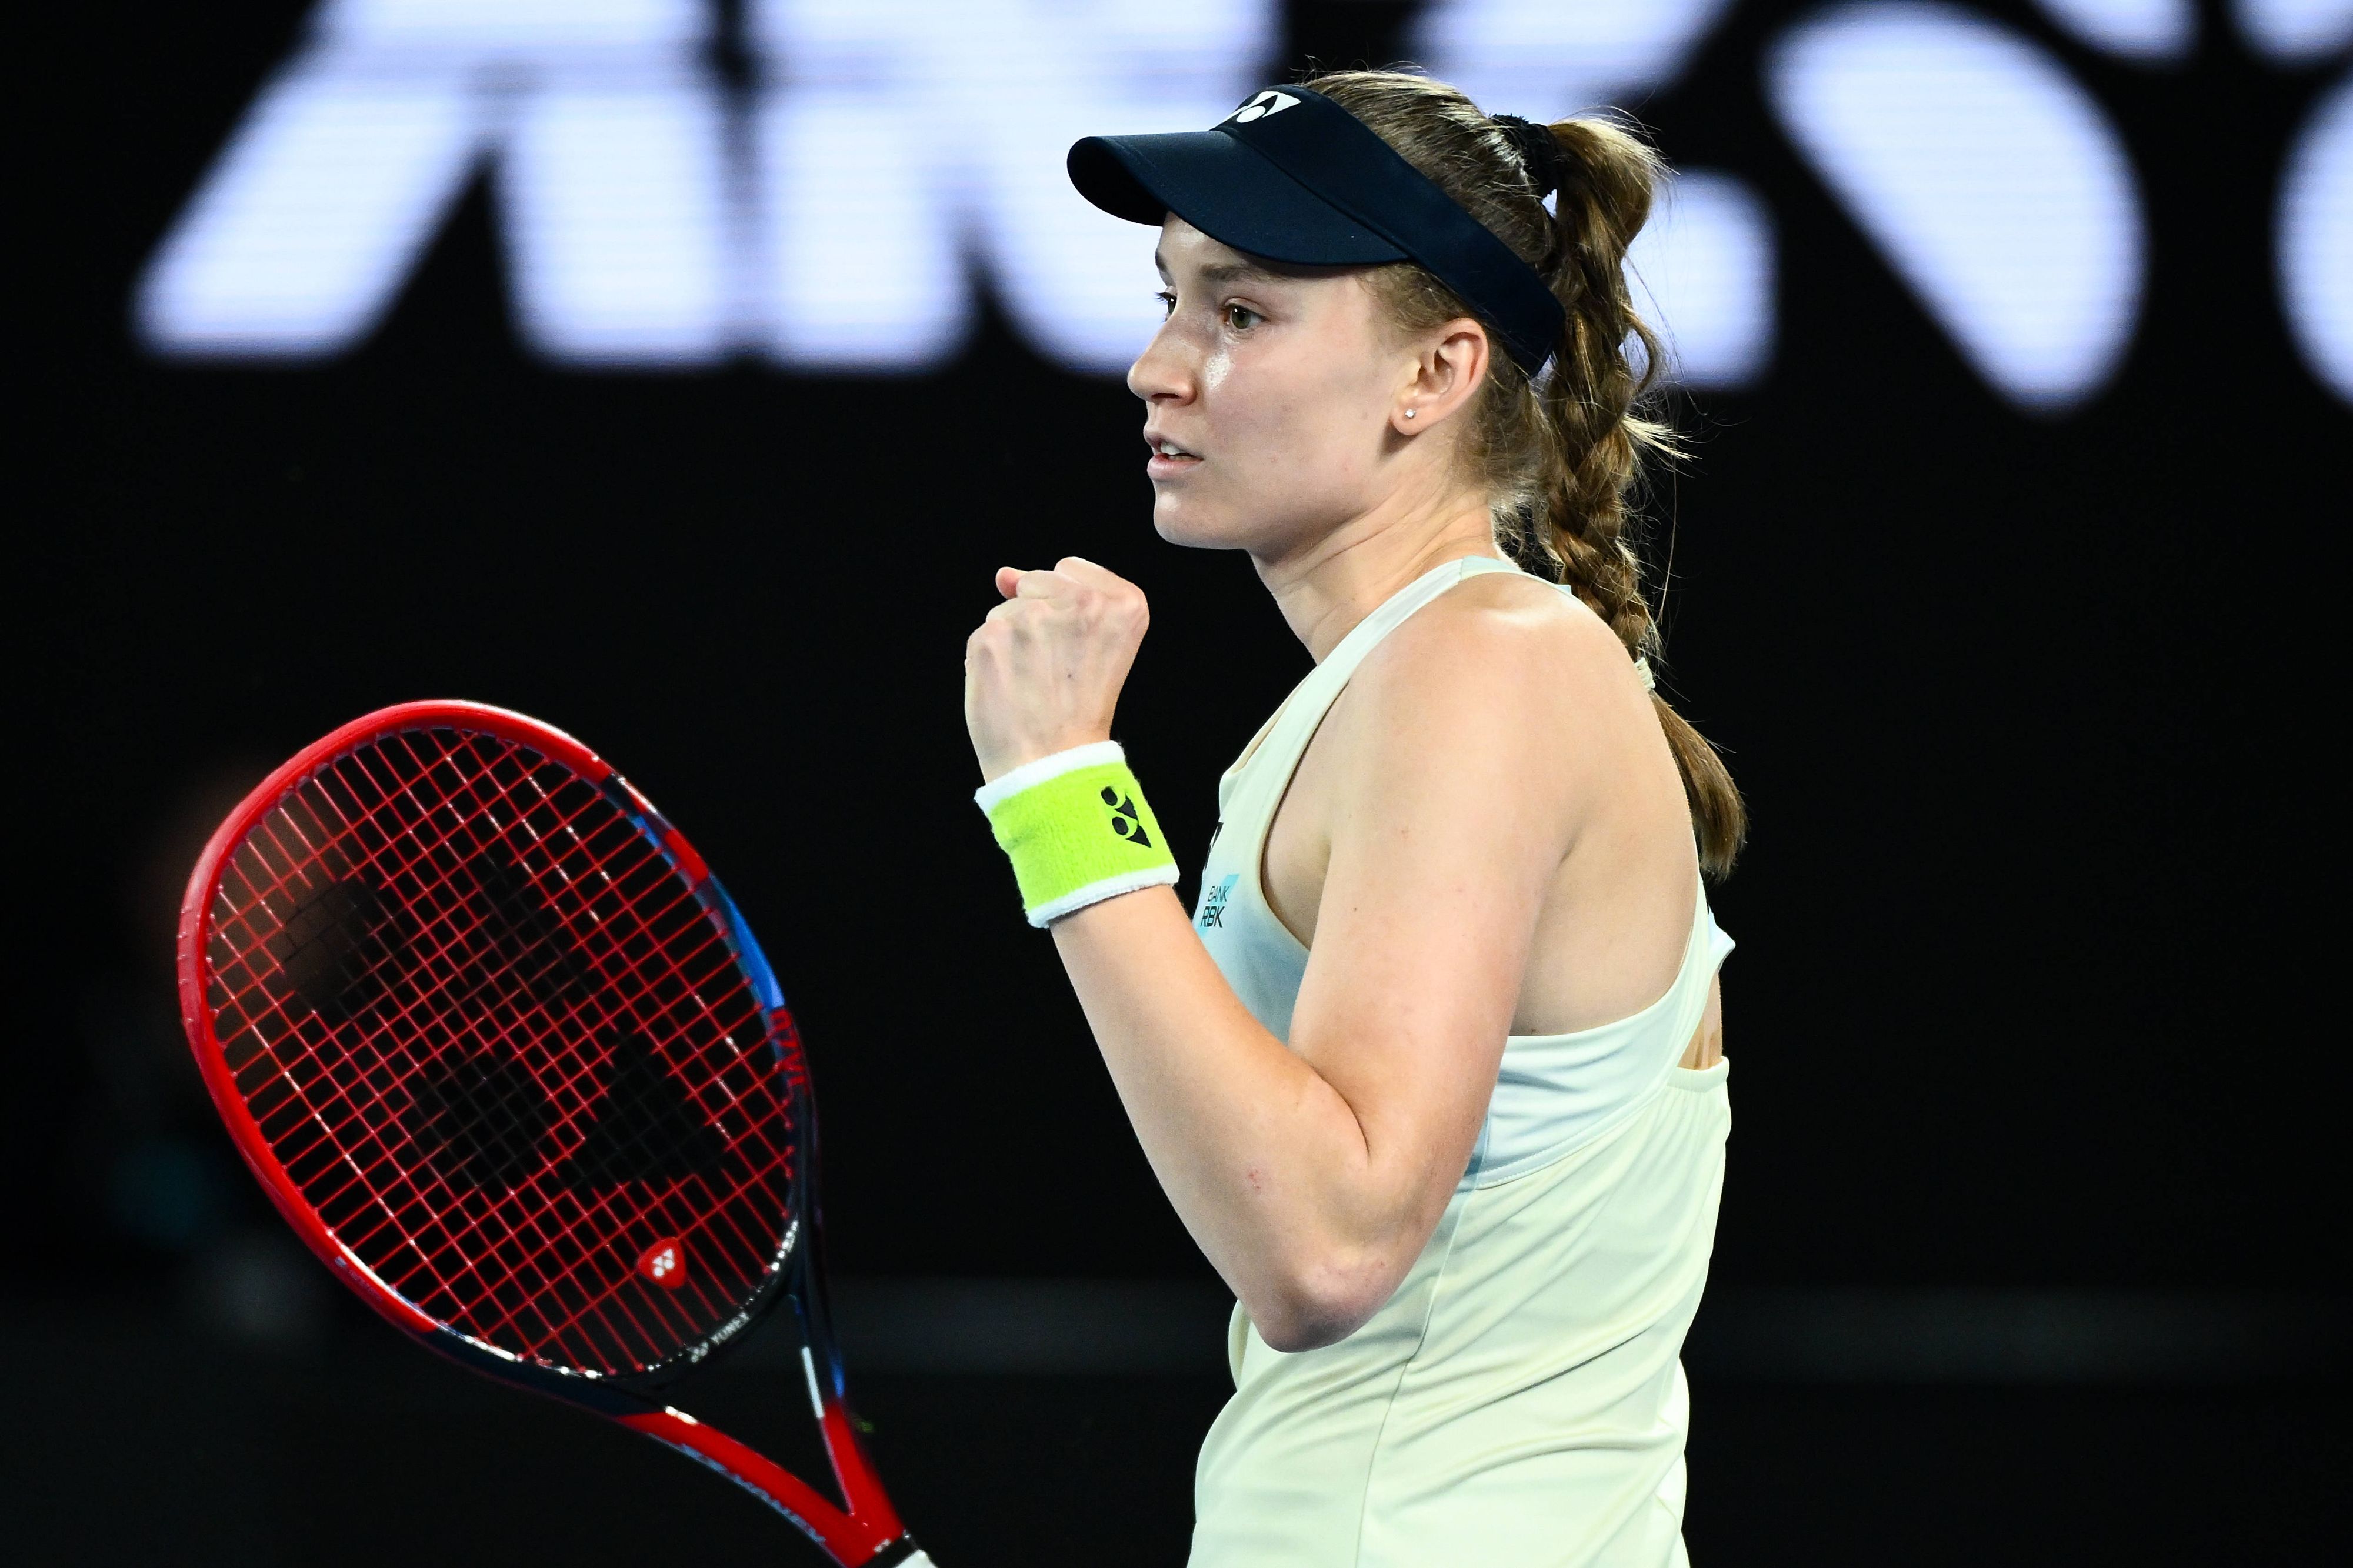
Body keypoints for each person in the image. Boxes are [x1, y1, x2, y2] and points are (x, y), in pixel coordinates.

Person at [961, 69, 1745, 1567]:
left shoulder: (1480, 674)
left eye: (1239, 314)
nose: (1156, 366)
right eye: (1169, 298)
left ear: (1435, 373)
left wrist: (1061, 796)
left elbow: (1327, 1243)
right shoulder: (1439, 679)